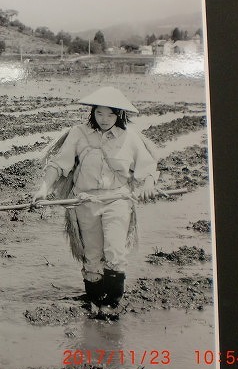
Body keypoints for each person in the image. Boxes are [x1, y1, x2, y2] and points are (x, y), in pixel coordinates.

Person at [32, 86, 158, 319]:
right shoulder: (78, 133)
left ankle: (112, 304)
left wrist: (149, 184)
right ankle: (95, 300)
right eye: (99, 113)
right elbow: (59, 165)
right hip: (85, 201)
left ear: (119, 114)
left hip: (117, 200)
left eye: (110, 114)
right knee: (91, 255)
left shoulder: (130, 136)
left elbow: (147, 167)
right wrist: (43, 189)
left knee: (114, 251)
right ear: (92, 112)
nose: (104, 119)